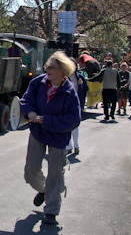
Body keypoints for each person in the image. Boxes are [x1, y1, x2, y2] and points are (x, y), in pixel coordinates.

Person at [20, 51, 81, 225]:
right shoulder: (37, 83)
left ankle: (51, 211)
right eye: (47, 66)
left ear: (62, 71)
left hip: (58, 137)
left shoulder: (69, 92)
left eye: (52, 67)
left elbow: (73, 119)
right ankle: (45, 190)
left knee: (55, 173)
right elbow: (25, 101)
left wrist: (46, 120)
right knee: (30, 170)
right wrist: (29, 111)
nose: (48, 69)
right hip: (38, 132)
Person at [67, 57, 88, 154]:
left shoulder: (79, 77)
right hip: (66, 104)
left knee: (75, 125)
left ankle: (76, 145)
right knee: (66, 125)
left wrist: (82, 85)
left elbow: (86, 89)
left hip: (77, 103)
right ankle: (68, 146)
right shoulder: (64, 77)